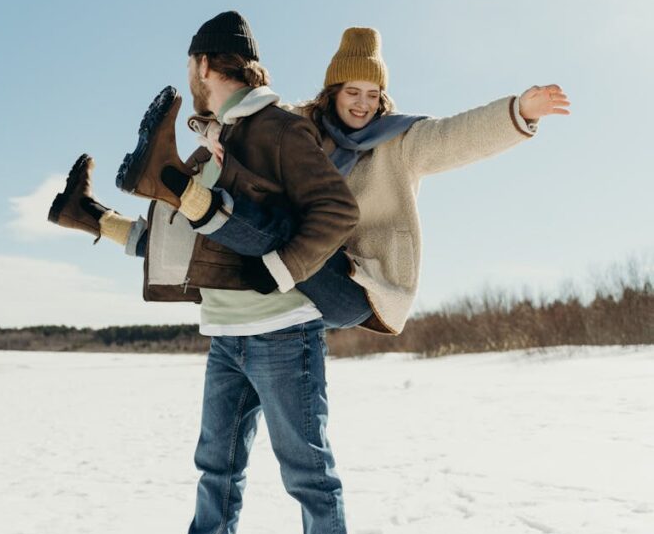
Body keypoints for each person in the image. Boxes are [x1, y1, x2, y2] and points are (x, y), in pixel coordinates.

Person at [48, 11, 361, 534]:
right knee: (216, 470)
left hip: (281, 332)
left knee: (308, 475)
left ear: (203, 66)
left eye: (191, 67)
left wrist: (279, 271)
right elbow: (173, 245)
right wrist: (92, 221)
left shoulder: (276, 128)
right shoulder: (212, 144)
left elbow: (334, 210)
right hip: (225, 335)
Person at [162, 26, 570, 336]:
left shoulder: (399, 141)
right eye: (353, 92)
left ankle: (190, 205)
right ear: (333, 92)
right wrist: (213, 130)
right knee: (253, 197)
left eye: (372, 94)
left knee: (277, 225)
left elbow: (457, 136)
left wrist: (519, 112)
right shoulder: (301, 125)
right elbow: (244, 111)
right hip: (308, 268)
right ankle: (146, 237)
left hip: (362, 285)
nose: (362, 104)